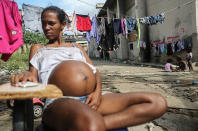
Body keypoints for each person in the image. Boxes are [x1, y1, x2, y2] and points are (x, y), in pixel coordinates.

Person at [10, 6, 167, 131]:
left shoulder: (77, 46)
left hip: (90, 98)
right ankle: (95, 124)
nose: (46, 27)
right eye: (43, 23)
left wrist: (97, 93)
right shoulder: (38, 48)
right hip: (59, 101)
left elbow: (94, 72)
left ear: (63, 25)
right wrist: (24, 76)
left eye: (51, 23)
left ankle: (97, 124)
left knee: (156, 103)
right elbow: (32, 75)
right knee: (92, 125)